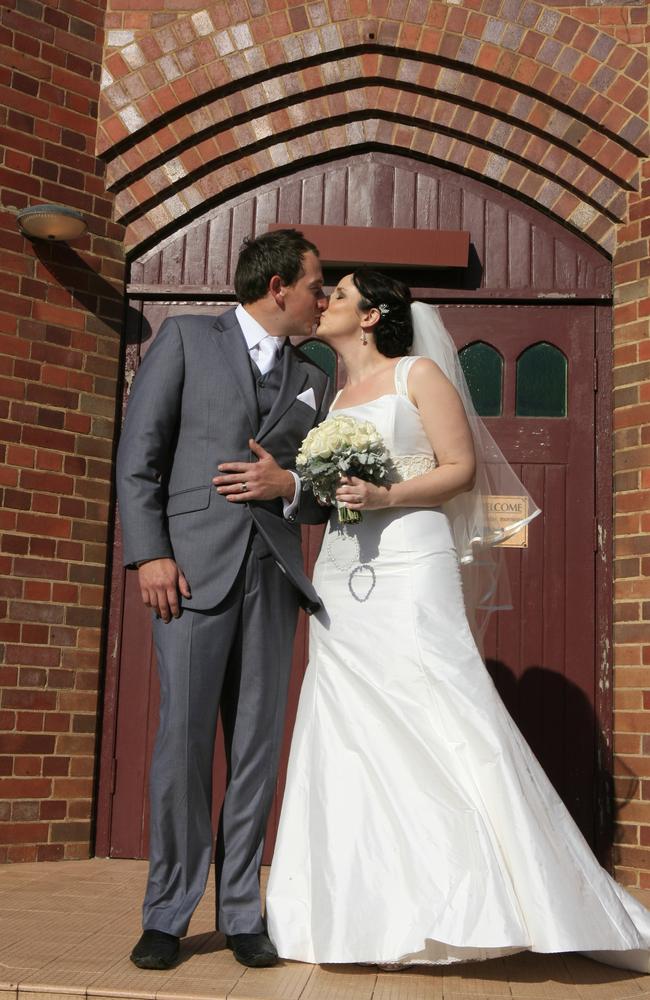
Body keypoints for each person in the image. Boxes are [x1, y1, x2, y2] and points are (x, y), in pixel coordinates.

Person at [265, 268, 650, 972]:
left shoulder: (419, 376)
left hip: (411, 562)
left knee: (442, 709)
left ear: (374, 314)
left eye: (339, 295)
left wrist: (387, 495)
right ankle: (364, 912)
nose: (324, 304)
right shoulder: (330, 392)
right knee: (348, 726)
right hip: (343, 572)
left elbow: (461, 469)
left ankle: (497, 899)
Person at [116, 229, 331, 971]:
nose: (322, 297)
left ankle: (241, 909)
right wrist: (150, 553)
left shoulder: (314, 377)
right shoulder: (184, 341)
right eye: (315, 284)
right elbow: (139, 454)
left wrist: (290, 487)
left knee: (256, 751)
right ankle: (167, 912)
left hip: (271, 582)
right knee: (181, 745)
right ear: (278, 288)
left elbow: (319, 495)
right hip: (188, 576)